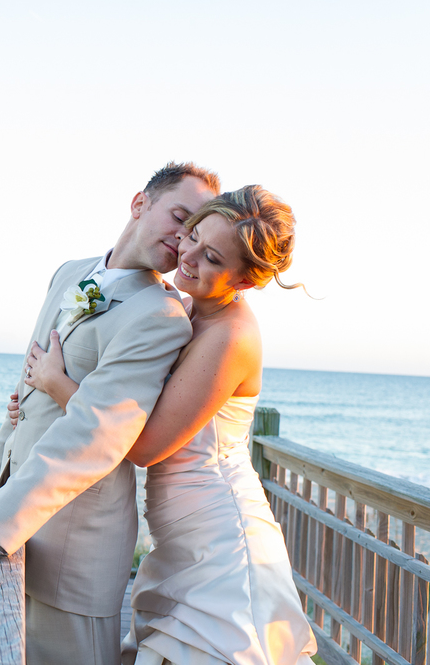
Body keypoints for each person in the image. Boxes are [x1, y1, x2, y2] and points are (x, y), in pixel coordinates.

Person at [0, 162, 220, 665]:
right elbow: (27, 383)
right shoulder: (71, 272)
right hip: (21, 515)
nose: (183, 238)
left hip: (76, 550)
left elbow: (97, 433)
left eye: (196, 230)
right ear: (139, 203)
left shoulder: (161, 315)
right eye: (178, 215)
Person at [20, 185, 317, 664]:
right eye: (193, 234)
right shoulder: (185, 308)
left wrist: (58, 384)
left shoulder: (231, 335)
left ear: (244, 282)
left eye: (212, 256)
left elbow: (145, 447)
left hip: (218, 537)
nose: (188, 254)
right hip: (179, 535)